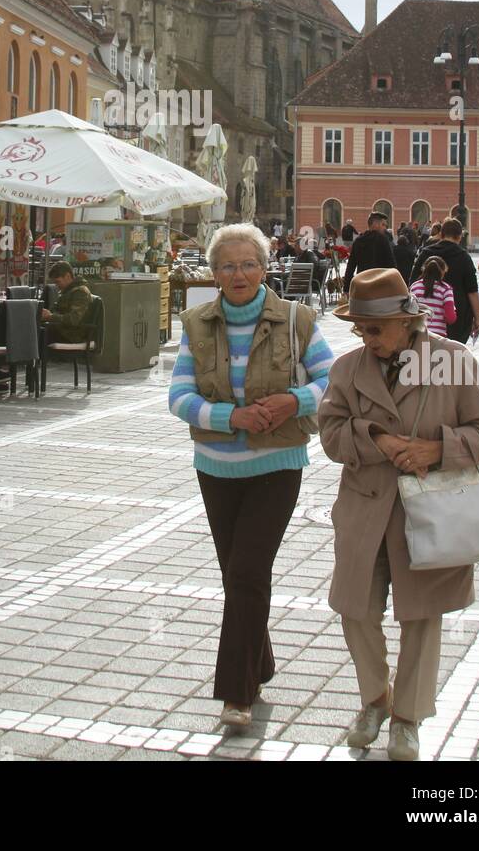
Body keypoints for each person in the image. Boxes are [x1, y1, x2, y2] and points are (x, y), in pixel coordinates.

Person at [319, 268, 479, 761]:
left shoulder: (453, 361)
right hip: (364, 511)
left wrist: (437, 449)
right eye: (359, 328)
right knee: (355, 610)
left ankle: (408, 718)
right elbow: (331, 433)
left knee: (422, 617)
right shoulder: (347, 369)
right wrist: (375, 439)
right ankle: (375, 699)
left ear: (407, 321)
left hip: (434, 511)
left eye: (373, 329)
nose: (365, 337)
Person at [168, 222, 333, 728]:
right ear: (213, 273)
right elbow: (178, 397)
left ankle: (236, 693)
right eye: (226, 265)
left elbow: (334, 381)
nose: (237, 273)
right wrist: (229, 417)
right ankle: (259, 663)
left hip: (276, 466)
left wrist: (293, 400)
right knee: (238, 577)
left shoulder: (295, 320)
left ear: (265, 267)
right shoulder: (197, 323)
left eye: (247, 263)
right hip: (216, 469)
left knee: (245, 573)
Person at [409, 218, 479, 344]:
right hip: (457, 316)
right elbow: (472, 291)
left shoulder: (426, 253)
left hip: (426, 318)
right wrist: (477, 318)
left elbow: (412, 283)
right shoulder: (464, 257)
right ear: (459, 237)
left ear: (441, 234)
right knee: (453, 356)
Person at [342, 211, 397, 293]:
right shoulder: (383, 239)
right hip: (379, 286)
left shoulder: (358, 241)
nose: (385, 228)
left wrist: (346, 289)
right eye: (383, 225)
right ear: (375, 224)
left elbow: (350, 266)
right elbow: (391, 264)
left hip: (362, 285)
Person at [40, 262, 93, 343]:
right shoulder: (67, 292)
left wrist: (50, 317)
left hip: (72, 335)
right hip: (62, 331)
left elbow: (74, 319)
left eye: (58, 282)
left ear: (68, 276)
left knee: (37, 333)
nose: (57, 286)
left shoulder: (80, 292)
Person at [409, 257, 457, 339]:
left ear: (424, 269)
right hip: (438, 336)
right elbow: (450, 318)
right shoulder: (446, 289)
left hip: (417, 334)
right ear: (442, 272)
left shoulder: (414, 287)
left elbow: (410, 312)